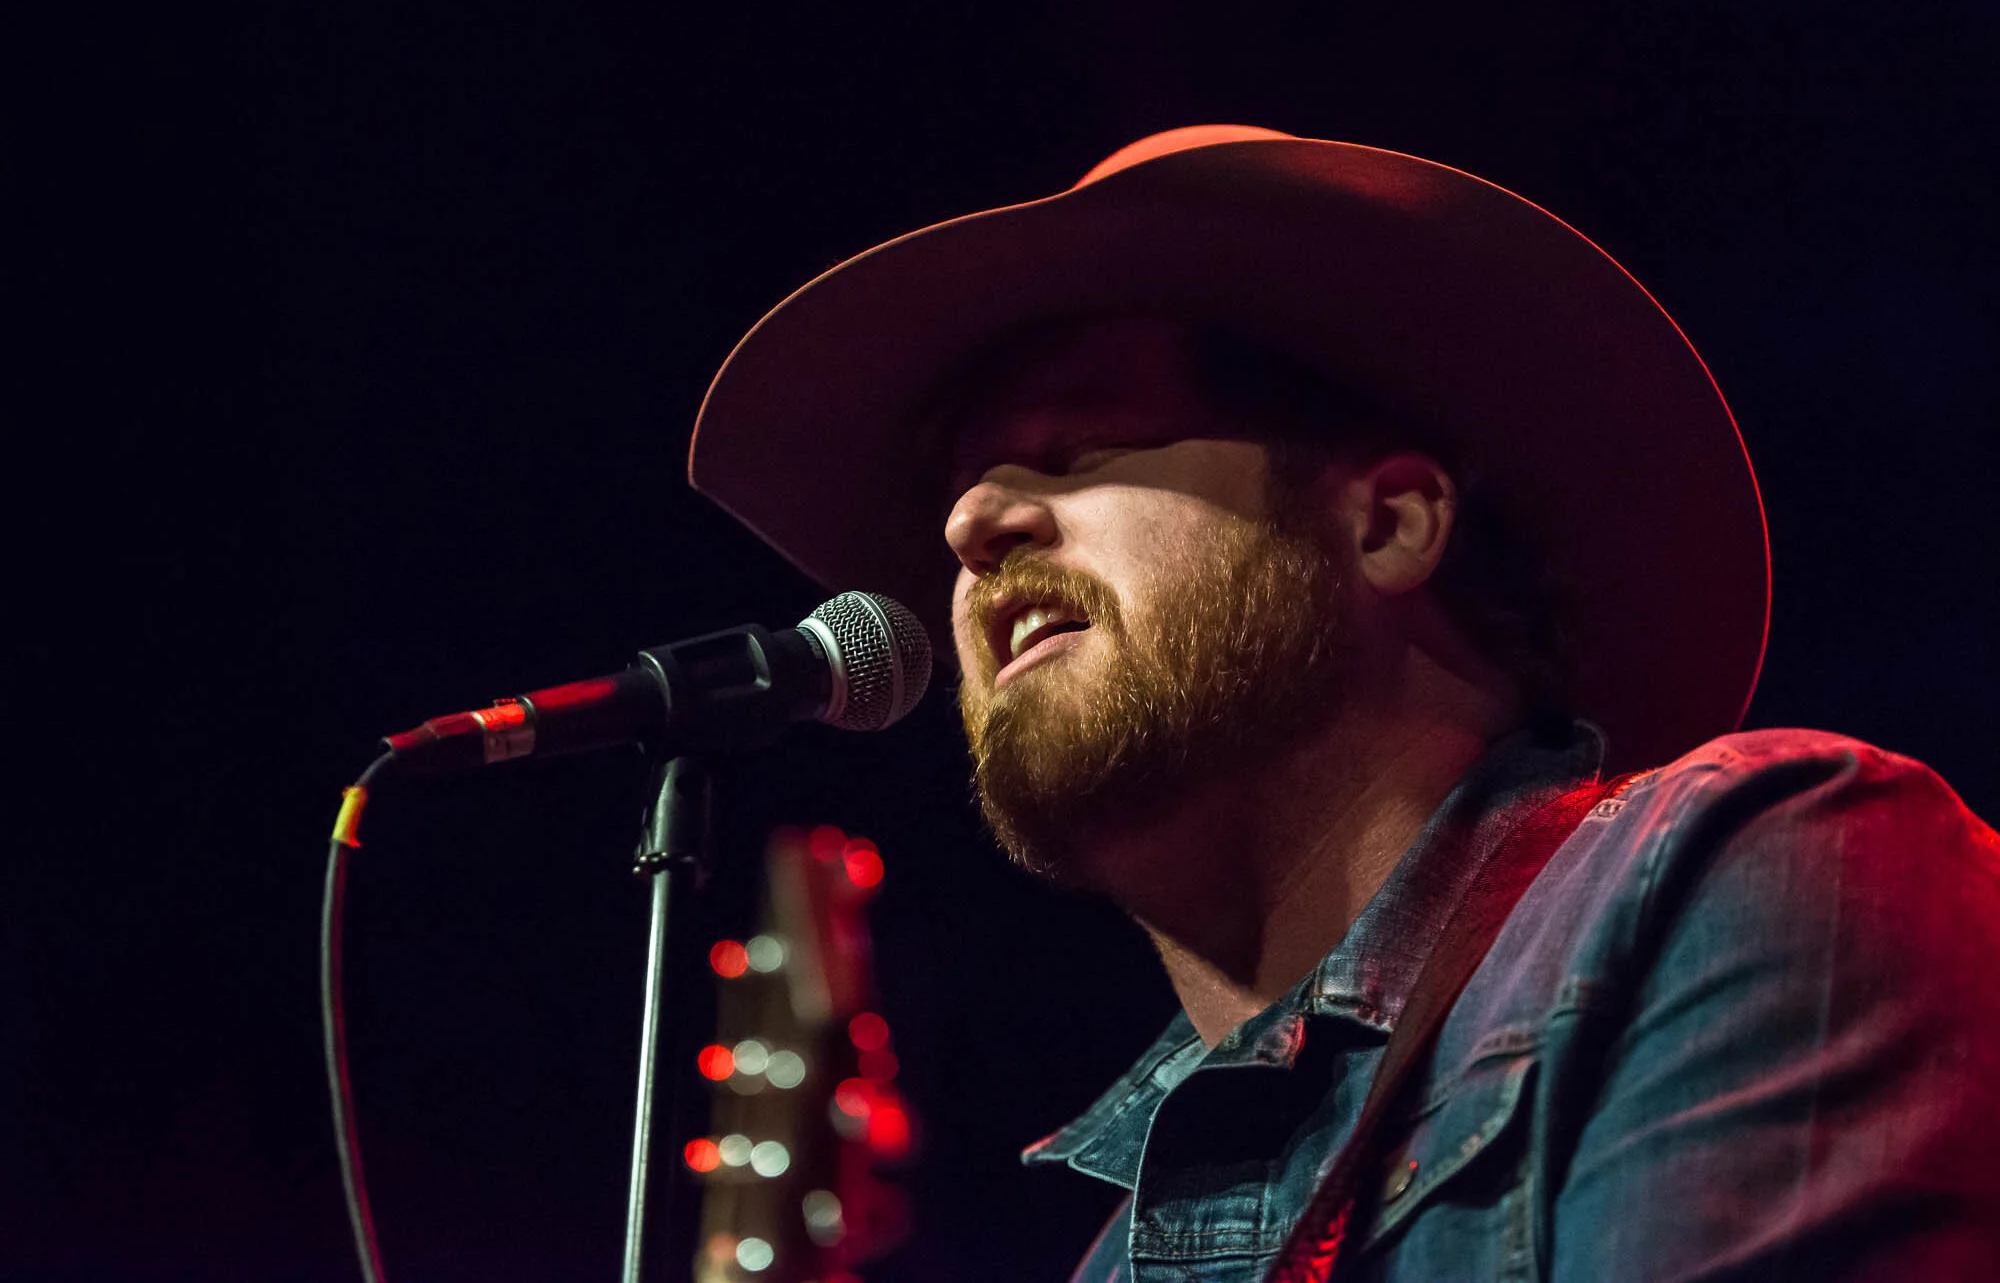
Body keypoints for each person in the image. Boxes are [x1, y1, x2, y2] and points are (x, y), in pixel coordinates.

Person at [686, 127, 2000, 1279]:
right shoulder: (1114, 1260)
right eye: (962, 493)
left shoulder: (1754, 873)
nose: (971, 526)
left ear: (1389, 522)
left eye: (1080, 449)